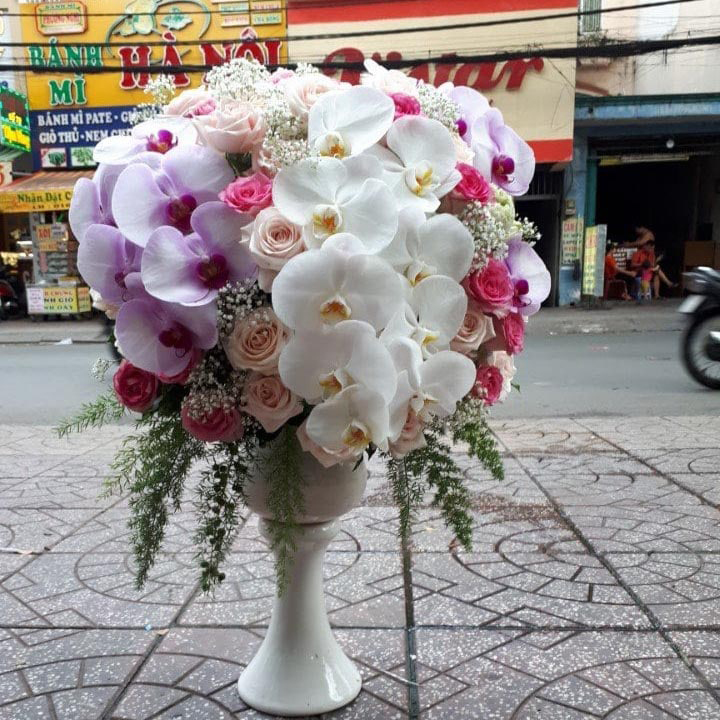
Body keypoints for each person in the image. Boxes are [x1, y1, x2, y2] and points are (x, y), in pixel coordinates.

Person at [629, 233, 675, 299]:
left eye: (653, 249)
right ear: (646, 246)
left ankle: (657, 295)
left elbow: (652, 265)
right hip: (639, 271)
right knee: (657, 271)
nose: (651, 250)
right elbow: (632, 265)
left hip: (648, 271)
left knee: (657, 273)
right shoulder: (637, 253)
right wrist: (642, 264)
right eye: (650, 248)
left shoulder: (651, 254)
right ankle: (668, 283)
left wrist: (656, 263)